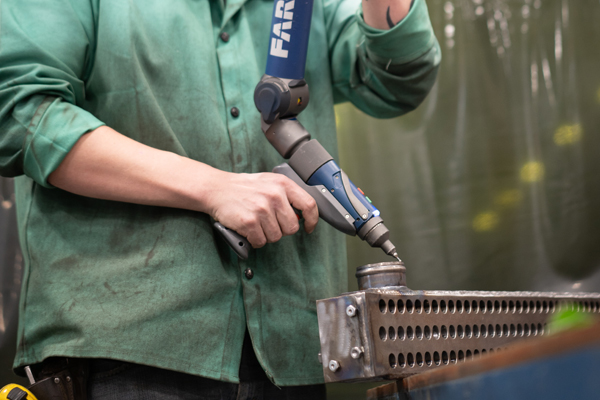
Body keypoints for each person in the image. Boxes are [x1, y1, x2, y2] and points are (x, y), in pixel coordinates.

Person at [0, 0, 440, 398]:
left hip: (293, 357)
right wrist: (213, 187)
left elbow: (397, 79)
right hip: (127, 354)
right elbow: (19, 113)